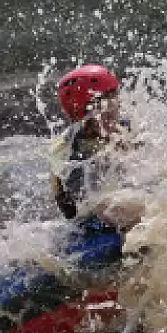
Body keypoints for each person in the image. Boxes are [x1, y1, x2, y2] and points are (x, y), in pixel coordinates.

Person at [49, 64, 142, 231]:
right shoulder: (68, 153)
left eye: (115, 100)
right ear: (84, 115)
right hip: (91, 226)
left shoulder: (125, 127)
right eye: (107, 107)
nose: (116, 109)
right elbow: (73, 209)